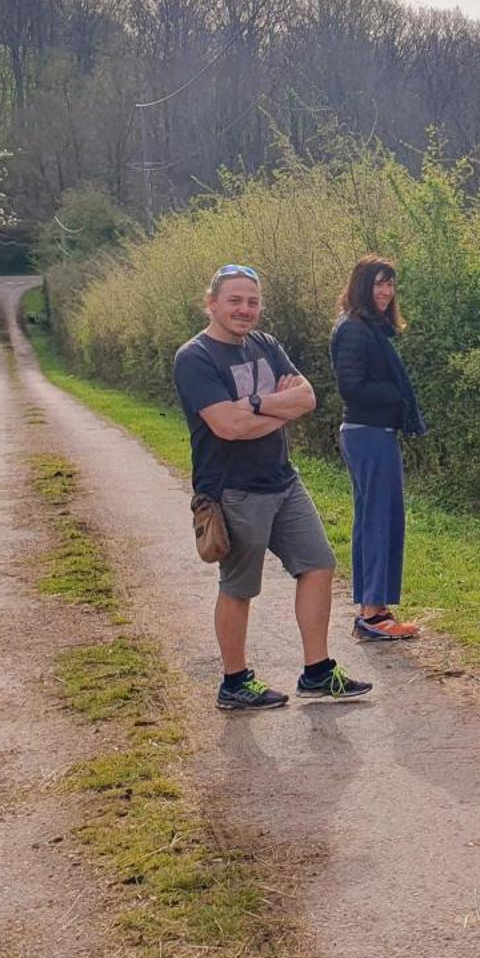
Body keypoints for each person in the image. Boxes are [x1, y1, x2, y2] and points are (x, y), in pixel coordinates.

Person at [173, 263, 372, 711]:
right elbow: (228, 426)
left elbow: (307, 398)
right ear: (211, 303)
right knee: (239, 586)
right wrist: (280, 411)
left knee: (319, 564)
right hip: (232, 490)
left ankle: (318, 673)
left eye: (253, 301)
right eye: (235, 301)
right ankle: (235, 682)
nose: (245, 310)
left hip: (283, 479)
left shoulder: (265, 344)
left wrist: (259, 404)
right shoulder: (196, 357)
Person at [331, 255, 427, 642]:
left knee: (377, 517)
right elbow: (351, 387)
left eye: (390, 284)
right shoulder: (354, 329)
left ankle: (374, 608)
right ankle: (372, 615)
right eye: (378, 284)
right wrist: (396, 394)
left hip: (371, 432)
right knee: (378, 518)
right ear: (361, 287)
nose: (386, 292)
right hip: (368, 432)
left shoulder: (370, 328)